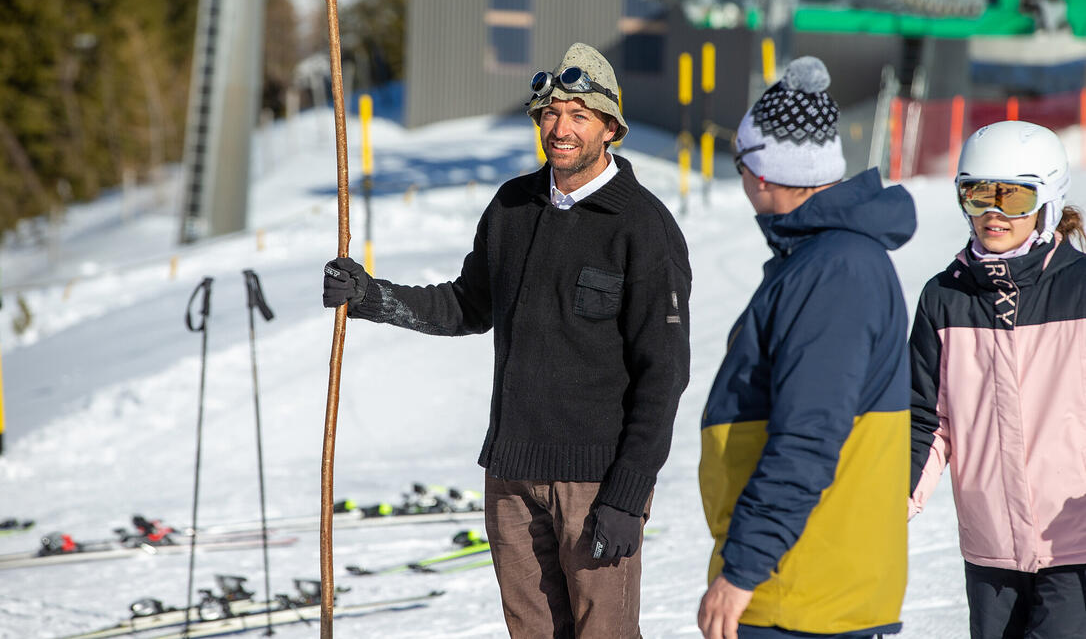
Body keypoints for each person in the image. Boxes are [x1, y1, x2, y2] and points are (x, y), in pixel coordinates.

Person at [323, 42, 691, 638]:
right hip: (511, 478)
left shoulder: (643, 228)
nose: (560, 128)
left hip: (594, 484)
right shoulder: (512, 208)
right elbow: (466, 305)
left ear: (610, 128)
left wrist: (628, 495)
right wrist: (371, 297)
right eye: (549, 113)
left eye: (578, 114)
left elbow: (664, 374)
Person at [697, 56, 916, 639]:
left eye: (741, 162)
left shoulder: (834, 272)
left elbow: (809, 435)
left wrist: (742, 571)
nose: (740, 179)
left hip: (806, 596)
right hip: (799, 585)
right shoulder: (819, 261)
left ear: (764, 172)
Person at [908, 120, 1086, 639]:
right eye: (978, 193)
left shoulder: (1080, 292)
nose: (992, 212)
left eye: (1012, 198)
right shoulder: (944, 298)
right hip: (990, 548)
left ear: (1048, 200)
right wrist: (895, 493)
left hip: (1072, 543)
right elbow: (926, 415)